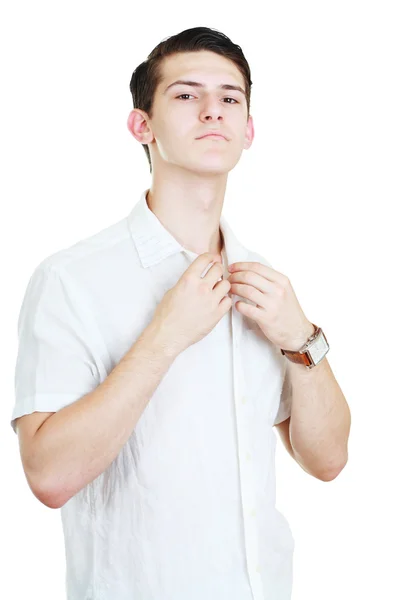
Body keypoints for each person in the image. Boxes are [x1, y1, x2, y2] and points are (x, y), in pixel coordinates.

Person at [11, 26, 351, 600]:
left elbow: (327, 460)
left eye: (230, 98)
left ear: (249, 131)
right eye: (186, 95)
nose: (212, 111)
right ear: (141, 125)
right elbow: (48, 476)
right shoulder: (71, 280)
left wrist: (301, 337)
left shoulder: (265, 283)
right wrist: (164, 337)